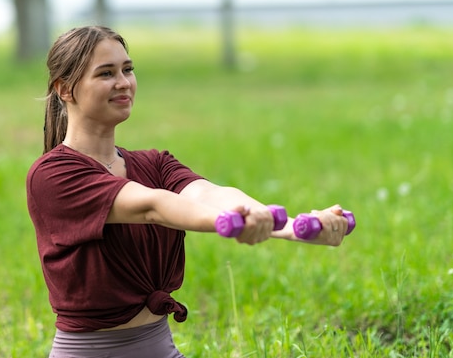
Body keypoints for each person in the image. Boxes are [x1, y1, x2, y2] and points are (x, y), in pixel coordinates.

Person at [26, 26, 350, 358]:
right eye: (106, 73)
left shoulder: (154, 163)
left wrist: (294, 227)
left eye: (128, 69)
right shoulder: (53, 175)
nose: (123, 82)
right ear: (65, 89)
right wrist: (230, 220)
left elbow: (209, 194)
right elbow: (152, 205)